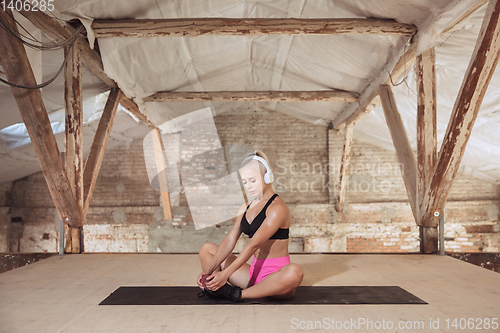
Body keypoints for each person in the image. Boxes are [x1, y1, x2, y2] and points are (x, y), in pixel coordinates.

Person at [197, 150, 304, 302]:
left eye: (252, 180)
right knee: (207, 249)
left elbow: (253, 245)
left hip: (276, 277)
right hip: (253, 274)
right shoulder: (245, 207)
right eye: (245, 181)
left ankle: (238, 294)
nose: (248, 186)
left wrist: (226, 274)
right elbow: (230, 241)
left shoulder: (277, 208)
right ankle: (213, 285)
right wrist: (208, 271)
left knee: (295, 272)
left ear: (266, 176)